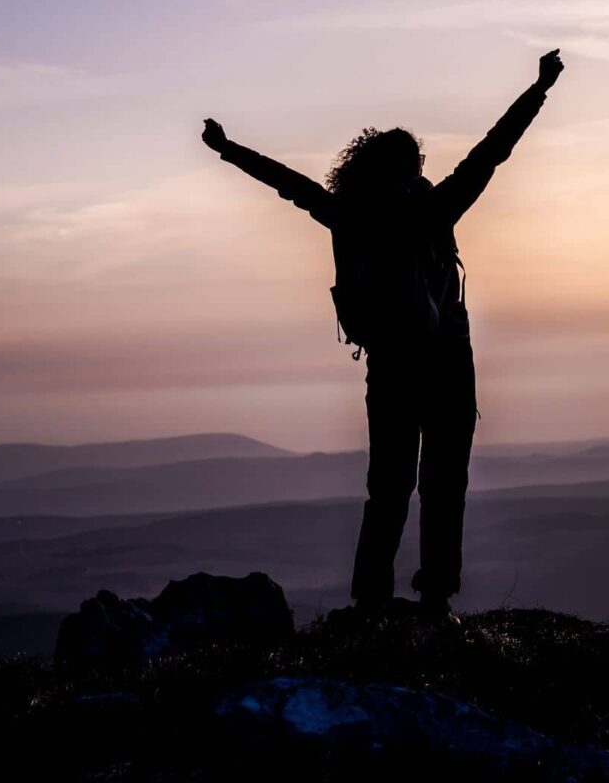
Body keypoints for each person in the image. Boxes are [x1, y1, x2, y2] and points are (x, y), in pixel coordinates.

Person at [201, 49, 565, 622]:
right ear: (411, 168)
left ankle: (371, 597)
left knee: (389, 486)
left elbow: (287, 183)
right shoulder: (434, 209)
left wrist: (227, 150)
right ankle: (436, 597)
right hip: (446, 360)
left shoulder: (348, 214)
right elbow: (494, 150)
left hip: (389, 362)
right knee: (444, 482)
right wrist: (540, 87)